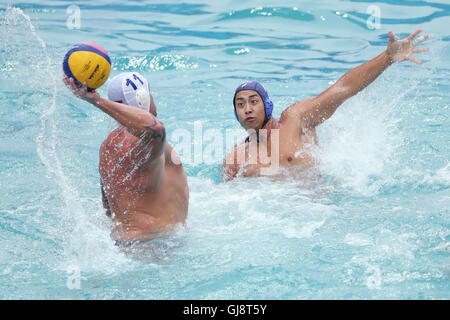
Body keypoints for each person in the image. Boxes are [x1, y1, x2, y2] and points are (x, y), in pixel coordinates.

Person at [222, 30, 429, 180]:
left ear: (267, 105)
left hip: (317, 214)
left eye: (253, 101)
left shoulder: (295, 119)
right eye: (240, 104)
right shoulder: (235, 158)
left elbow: (343, 89)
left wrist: (387, 58)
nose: (247, 108)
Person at [63, 72, 189, 245]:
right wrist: (96, 100)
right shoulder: (145, 146)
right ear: (142, 98)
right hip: (156, 246)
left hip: (123, 246)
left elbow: (108, 210)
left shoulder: (107, 146)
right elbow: (156, 129)